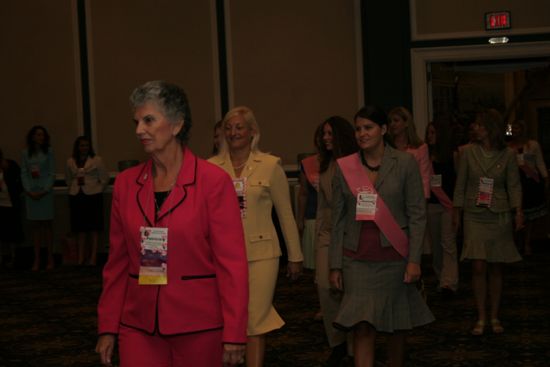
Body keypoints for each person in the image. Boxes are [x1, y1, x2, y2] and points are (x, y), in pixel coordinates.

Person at [95, 81, 249, 367]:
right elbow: (116, 263)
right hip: (138, 323)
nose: (139, 129)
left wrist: (235, 332)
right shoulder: (126, 184)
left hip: (199, 325)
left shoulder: (213, 182)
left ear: (177, 125)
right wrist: (108, 326)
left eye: (149, 120)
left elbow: (232, 264)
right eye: (137, 121)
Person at [329, 106, 434, 367]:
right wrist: (335, 264)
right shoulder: (346, 167)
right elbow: (338, 219)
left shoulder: (405, 163)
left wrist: (414, 259)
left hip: (395, 259)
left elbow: (417, 214)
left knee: (396, 327)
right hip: (357, 260)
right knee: (362, 327)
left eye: (368, 128)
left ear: (383, 130)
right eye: (358, 129)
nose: (362, 134)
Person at [209, 106, 303, 367]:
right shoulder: (210, 168)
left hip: (262, 254)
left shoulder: (271, 165)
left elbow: (286, 214)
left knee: (254, 319)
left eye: (239, 127)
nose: (233, 132)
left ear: (252, 132)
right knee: (224, 317)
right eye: (228, 128)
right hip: (221, 255)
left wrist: (295, 256)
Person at [453, 109, 523, 336]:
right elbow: (460, 184)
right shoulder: (468, 153)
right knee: (478, 264)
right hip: (474, 214)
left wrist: (518, 211)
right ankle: (481, 316)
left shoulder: (508, 155)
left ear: (491, 128)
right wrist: (457, 212)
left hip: (499, 214)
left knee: (496, 265)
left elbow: (513, 185)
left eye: (480, 124)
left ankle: (494, 315)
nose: (476, 128)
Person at [315, 116, 358, 366]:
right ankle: (337, 342)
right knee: (324, 285)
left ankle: (354, 345)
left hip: (350, 233)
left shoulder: (354, 164)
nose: (326, 138)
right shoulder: (326, 164)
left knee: (350, 290)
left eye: (330, 133)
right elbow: (322, 206)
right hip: (327, 233)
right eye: (324, 134)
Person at [425, 122, 459, 295]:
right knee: (436, 247)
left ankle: (449, 282)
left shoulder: (453, 155)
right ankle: (441, 278)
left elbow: (459, 181)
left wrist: (457, 207)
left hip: (448, 207)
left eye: (433, 132)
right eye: (428, 133)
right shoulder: (425, 157)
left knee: (448, 244)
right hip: (431, 206)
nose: (429, 136)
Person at [65, 136, 109, 266]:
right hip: (77, 196)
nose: (84, 148)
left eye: (86, 145)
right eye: (81, 145)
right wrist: (73, 189)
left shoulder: (97, 160)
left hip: (93, 196)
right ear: (77, 147)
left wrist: (97, 189)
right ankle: (81, 257)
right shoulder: (70, 161)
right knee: (80, 229)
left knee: (93, 228)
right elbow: (68, 179)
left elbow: (105, 178)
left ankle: (93, 257)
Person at [507, 119, 549, 256]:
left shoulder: (532, 145)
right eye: (513, 128)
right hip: (515, 182)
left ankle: (527, 242)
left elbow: (540, 162)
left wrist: (546, 179)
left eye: (517, 128)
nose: (515, 131)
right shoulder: (508, 148)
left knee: (530, 216)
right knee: (516, 213)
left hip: (530, 182)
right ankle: (517, 242)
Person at [21, 125, 56, 271]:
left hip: (45, 193)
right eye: (37, 135)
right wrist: (29, 190)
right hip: (31, 193)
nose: (40, 137)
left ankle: (49, 258)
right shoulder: (25, 153)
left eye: (42, 135)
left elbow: (52, 173)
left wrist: (44, 190)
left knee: (47, 226)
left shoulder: (49, 152)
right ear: (32, 137)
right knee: (35, 227)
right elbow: (24, 173)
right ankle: (36, 259)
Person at [296, 123, 323, 270]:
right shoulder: (308, 164)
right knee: (315, 267)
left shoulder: (341, 163)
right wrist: (300, 220)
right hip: (313, 218)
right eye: (321, 136)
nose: (324, 139)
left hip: (334, 220)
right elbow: (303, 194)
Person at [0, 148, 24, 267]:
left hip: (11, 203)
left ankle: (15, 257)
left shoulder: (10, 165)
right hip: (1, 204)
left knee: (13, 232)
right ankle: (5, 256)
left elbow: (20, 182)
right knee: (3, 233)